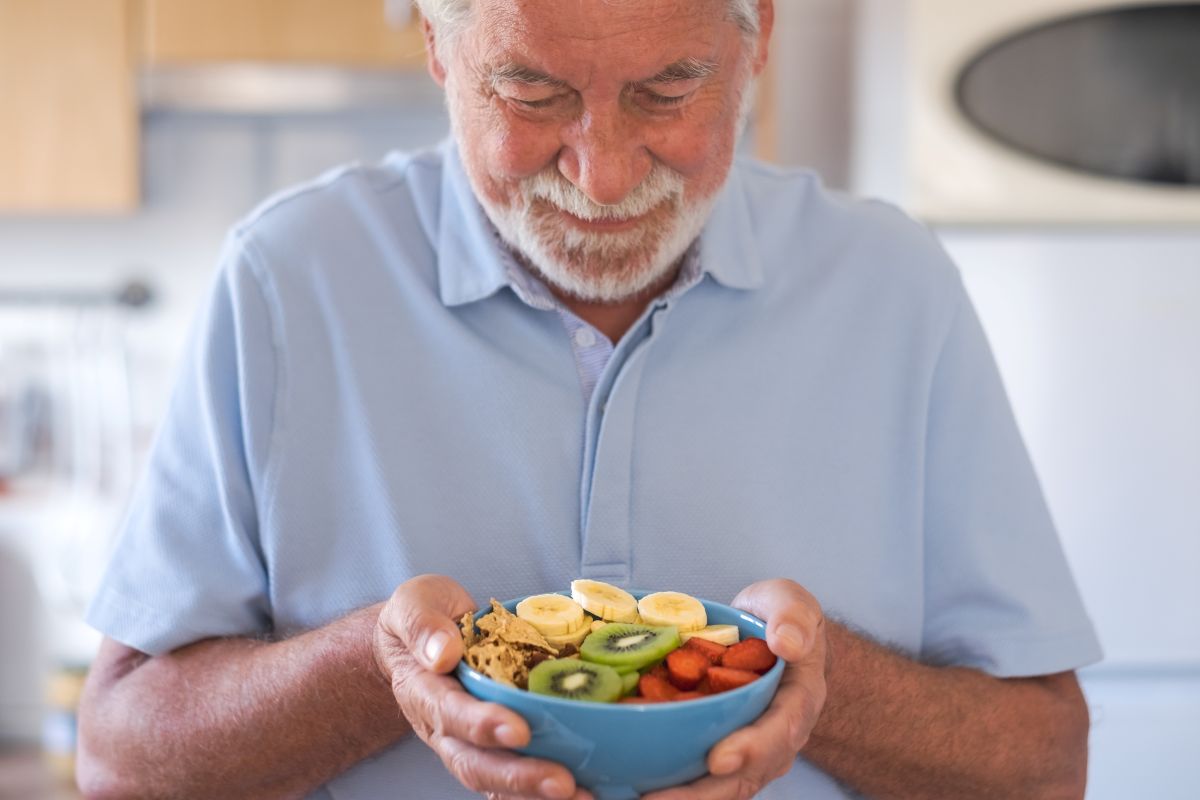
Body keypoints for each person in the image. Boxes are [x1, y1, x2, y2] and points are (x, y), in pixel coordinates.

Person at [75, 1, 1102, 798]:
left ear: (759, 42)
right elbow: (119, 759)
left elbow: (1047, 763)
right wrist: (381, 664)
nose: (602, 177)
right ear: (438, 44)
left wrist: (818, 684)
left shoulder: (894, 287)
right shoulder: (284, 280)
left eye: (667, 91)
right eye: (531, 92)